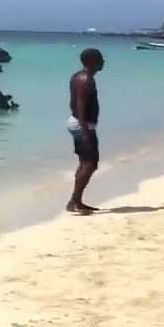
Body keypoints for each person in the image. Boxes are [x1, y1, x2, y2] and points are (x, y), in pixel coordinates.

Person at [66, 48, 104, 215]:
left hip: (80, 124)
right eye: (100, 59)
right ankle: (74, 201)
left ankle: (76, 201)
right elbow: (80, 105)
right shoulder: (85, 79)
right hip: (82, 125)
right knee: (90, 164)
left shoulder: (79, 76)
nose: (103, 62)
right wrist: (85, 131)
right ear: (91, 61)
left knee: (85, 163)